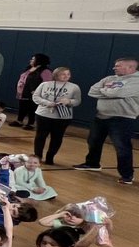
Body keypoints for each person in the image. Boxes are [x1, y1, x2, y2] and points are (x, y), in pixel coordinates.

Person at [74, 56, 139, 185]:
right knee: (93, 141)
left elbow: (116, 93)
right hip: (101, 116)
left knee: (122, 147)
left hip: (122, 119)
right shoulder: (109, 79)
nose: (114, 67)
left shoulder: (136, 81)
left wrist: (106, 91)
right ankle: (92, 163)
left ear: (130, 67)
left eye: (118, 65)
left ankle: (127, 175)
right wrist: (110, 91)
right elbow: (92, 91)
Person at [32, 67, 81, 165]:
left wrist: (69, 101)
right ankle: (38, 156)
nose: (66, 76)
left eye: (68, 74)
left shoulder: (74, 87)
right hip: (43, 114)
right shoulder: (45, 84)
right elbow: (36, 96)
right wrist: (47, 103)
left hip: (62, 117)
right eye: (63, 74)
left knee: (57, 138)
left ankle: (50, 157)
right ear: (56, 75)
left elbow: (77, 101)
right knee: (40, 136)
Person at [9, 53, 52, 131]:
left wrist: (38, 92)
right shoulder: (29, 68)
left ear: (39, 60)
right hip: (23, 92)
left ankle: (30, 123)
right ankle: (19, 121)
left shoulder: (45, 71)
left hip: (33, 93)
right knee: (22, 107)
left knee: (32, 108)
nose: (31, 60)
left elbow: (47, 83)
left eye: (33, 59)